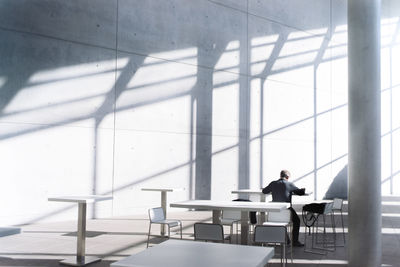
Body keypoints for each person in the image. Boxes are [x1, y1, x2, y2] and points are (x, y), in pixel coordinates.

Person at [262, 170, 305, 247]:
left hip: (275, 210)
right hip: (286, 210)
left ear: (280, 175)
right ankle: (295, 242)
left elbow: (264, 191)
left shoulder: (273, 183)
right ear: (287, 177)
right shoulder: (289, 184)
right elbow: (300, 192)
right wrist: (302, 189)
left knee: (280, 222)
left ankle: (286, 239)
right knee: (297, 221)